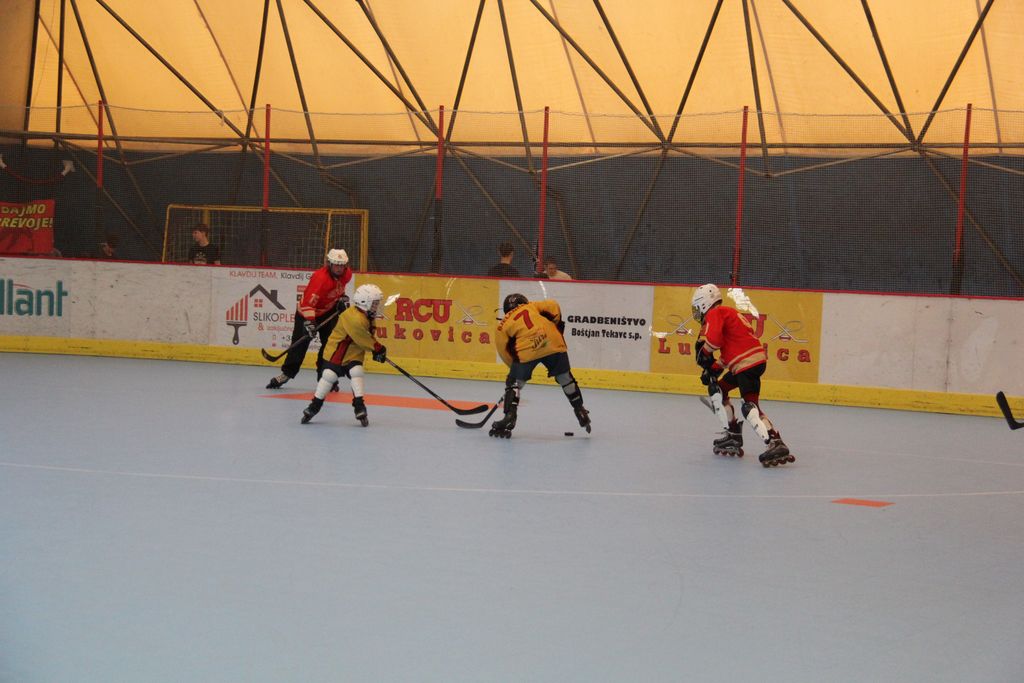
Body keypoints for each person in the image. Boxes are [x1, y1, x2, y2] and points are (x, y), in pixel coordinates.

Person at [690, 283, 794, 467]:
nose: (697, 313)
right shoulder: (728, 314)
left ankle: (775, 441)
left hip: (746, 364)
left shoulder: (715, 313)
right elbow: (730, 352)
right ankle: (733, 434)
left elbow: (714, 341)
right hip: (746, 362)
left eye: (697, 308)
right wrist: (714, 368)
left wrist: (704, 353)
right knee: (720, 389)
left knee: (749, 406)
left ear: (704, 304)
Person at [488, 292, 590, 438]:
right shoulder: (532, 306)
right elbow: (553, 306)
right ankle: (580, 410)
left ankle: (510, 416)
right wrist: (555, 327)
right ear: (523, 301)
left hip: (527, 348)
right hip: (552, 341)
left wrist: (515, 369)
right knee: (565, 378)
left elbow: (503, 350)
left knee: (514, 383)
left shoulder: (503, 323)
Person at [301, 283, 388, 427]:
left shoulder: (367, 315)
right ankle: (314, 406)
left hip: (353, 352)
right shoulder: (354, 318)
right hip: (337, 351)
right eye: (375, 303)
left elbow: (365, 337)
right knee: (329, 375)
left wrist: (376, 350)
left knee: (356, 371)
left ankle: (359, 406)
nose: (377, 306)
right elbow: (363, 337)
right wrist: (378, 349)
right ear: (364, 302)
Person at [267, 248, 353, 389]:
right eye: (336, 265)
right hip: (306, 313)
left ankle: (325, 376)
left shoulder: (347, 274)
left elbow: (338, 289)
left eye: (342, 265)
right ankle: (287, 373)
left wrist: (341, 299)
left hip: (328, 312)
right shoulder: (320, 279)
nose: (339, 268)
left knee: (330, 345)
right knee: (299, 345)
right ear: (329, 264)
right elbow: (307, 304)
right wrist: (310, 323)